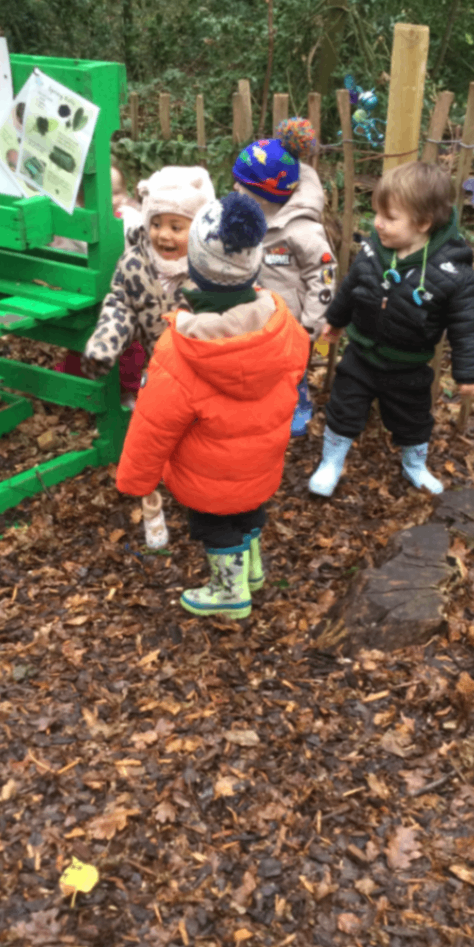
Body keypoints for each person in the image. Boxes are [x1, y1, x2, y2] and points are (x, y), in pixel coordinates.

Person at [115, 192, 309, 619]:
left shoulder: (180, 351)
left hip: (209, 474)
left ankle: (229, 592)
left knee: (215, 525)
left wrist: (135, 480)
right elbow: (297, 367)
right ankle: (251, 570)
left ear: (196, 269)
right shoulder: (282, 326)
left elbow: (154, 424)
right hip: (261, 462)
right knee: (250, 510)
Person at [308, 161, 474, 498]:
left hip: (408, 364)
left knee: (413, 419)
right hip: (361, 354)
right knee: (343, 408)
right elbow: (352, 286)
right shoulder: (374, 249)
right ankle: (331, 462)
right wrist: (336, 318)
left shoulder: (452, 272)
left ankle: (414, 464)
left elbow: (467, 325)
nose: (378, 223)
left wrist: (469, 371)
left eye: (389, 218)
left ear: (423, 223)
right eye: (377, 214)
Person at [232, 118, 336, 436]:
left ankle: (299, 407)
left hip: (291, 323)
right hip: (251, 316)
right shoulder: (244, 214)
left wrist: (312, 324)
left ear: (266, 193)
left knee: (290, 373)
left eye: (243, 187)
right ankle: (257, 407)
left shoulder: (302, 230)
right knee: (254, 369)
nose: (234, 191)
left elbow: (325, 275)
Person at [82, 165, 214, 402]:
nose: (163, 235)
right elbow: (121, 306)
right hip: (157, 368)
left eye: (175, 227)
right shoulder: (136, 263)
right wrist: (105, 343)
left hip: (204, 372)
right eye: (155, 224)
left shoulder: (210, 269)